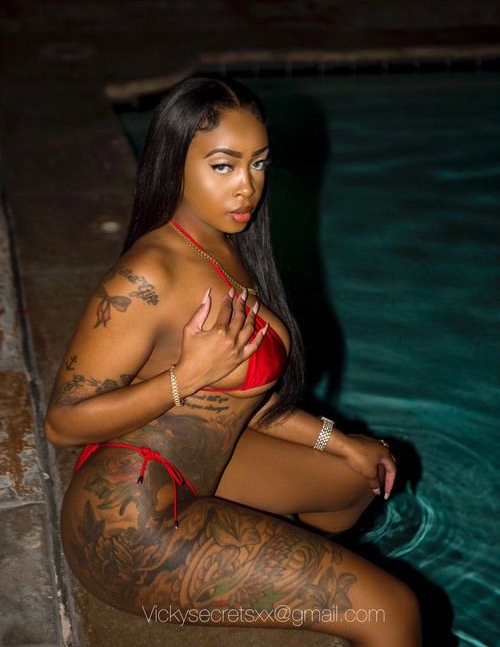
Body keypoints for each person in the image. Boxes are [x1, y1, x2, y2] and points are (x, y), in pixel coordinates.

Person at [44, 75, 421, 646]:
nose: (247, 187)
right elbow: (62, 423)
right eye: (223, 166)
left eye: (259, 163)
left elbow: (242, 400)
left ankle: (290, 564)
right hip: (132, 524)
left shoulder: (224, 245)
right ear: (175, 164)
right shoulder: (147, 277)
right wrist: (184, 377)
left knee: (356, 477)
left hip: (202, 464)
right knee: (393, 612)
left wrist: (337, 440)